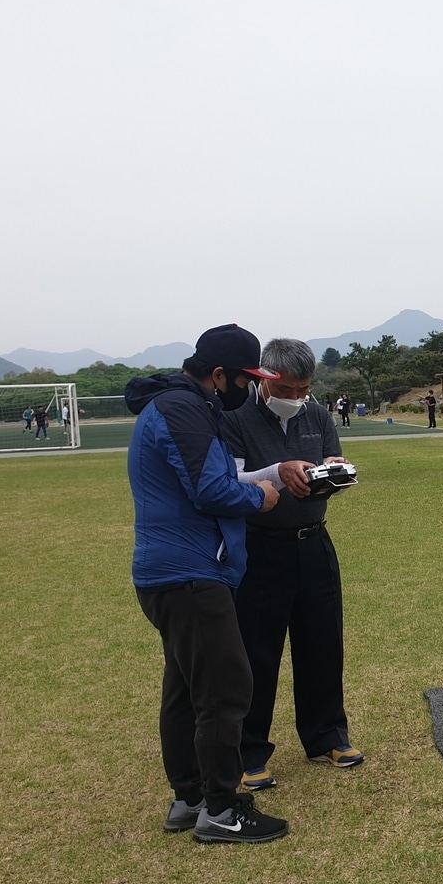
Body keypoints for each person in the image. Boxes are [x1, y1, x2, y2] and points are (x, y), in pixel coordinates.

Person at [125, 323, 289, 844]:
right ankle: (219, 809)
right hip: (189, 573)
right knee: (225, 689)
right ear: (219, 375)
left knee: (186, 689)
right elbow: (210, 490)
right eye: (245, 379)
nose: (249, 389)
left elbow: (209, 478)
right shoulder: (184, 408)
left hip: (179, 572)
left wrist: (271, 474)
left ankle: (189, 798)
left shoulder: (184, 405)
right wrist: (260, 498)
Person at [222, 338, 363, 792]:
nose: (298, 397)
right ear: (265, 379)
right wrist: (279, 470)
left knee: (323, 643)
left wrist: (334, 473)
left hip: (313, 544)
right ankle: (249, 751)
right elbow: (231, 481)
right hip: (259, 548)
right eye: (290, 388)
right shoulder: (234, 421)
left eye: (305, 388)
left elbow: (326, 465)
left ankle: (326, 736)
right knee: (256, 653)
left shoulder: (317, 416)